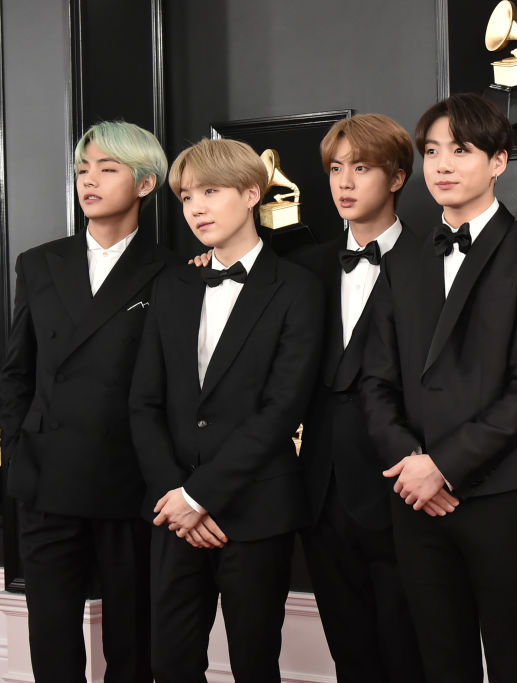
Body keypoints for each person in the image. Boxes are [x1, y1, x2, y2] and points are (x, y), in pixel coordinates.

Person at [360, 93, 517, 683]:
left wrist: (445, 467)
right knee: (439, 661)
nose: (443, 165)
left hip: (500, 492)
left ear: (498, 161)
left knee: (512, 662)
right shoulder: (401, 260)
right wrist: (413, 465)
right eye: (432, 152)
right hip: (413, 495)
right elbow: (375, 380)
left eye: (461, 150)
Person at [129, 137, 323, 682]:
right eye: (187, 197)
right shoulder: (171, 285)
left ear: (252, 194)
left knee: (254, 664)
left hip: (255, 509)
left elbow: (282, 410)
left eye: (210, 192)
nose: (196, 208)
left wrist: (201, 497)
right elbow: (143, 402)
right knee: (170, 664)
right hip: (171, 511)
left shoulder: (298, 289)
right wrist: (177, 498)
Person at [0, 120, 172, 682]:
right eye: (82, 169)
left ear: (145, 184)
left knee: (133, 643)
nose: (88, 180)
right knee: (51, 640)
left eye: (107, 168)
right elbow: (16, 371)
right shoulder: (38, 263)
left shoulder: (173, 271)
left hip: (129, 481)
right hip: (45, 478)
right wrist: (17, 449)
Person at [290, 113, 426, 682]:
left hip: (402, 486)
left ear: (396, 177)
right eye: (336, 169)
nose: (344, 182)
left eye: (362, 168)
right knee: (352, 659)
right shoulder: (303, 268)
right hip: (320, 491)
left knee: (409, 658)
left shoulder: (434, 260)